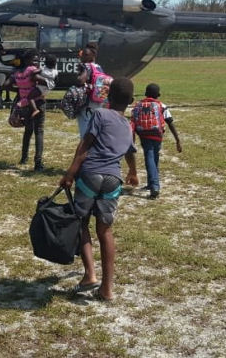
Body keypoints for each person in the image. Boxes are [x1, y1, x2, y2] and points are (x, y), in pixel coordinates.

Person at [58, 77, 138, 302]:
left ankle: (90, 275)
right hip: (113, 179)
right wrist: (133, 172)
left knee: (82, 222)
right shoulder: (128, 125)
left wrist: (69, 174)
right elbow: (131, 152)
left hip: (90, 175)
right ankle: (107, 289)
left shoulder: (100, 115)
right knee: (105, 230)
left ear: (108, 97)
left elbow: (84, 148)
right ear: (131, 101)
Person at [131, 83, 182, 200]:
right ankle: (154, 185)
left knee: (150, 157)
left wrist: (132, 139)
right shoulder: (162, 105)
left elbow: (133, 123)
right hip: (157, 135)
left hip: (143, 134)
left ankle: (152, 184)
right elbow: (170, 122)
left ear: (145, 94)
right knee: (153, 157)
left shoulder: (138, 105)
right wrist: (178, 140)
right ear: (158, 95)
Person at [5, 50, 45, 171]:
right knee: (39, 131)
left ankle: (24, 158)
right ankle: (38, 163)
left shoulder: (17, 73)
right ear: (28, 60)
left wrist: (19, 90)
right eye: (35, 59)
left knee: (28, 131)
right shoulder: (32, 70)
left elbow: (5, 84)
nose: (37, 62)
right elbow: (42, 80)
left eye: (38, 60)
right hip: (37, 102)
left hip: (23, 104)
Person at [76, 44, 104, 138]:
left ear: (92, 56)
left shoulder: (86, 66)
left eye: (85, 55)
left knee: (85, 129)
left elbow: (81, 80)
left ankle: (85, 150)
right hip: (98, 100)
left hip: (86, 103)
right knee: (94, 126)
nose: (82, 56)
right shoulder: (99, 67)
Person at [26, 53, 58, 118]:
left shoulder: (43, 69)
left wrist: (32, 72)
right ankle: (41, 99)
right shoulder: (55, 71)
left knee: (30, 97)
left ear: (45, 62)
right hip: (48, 88)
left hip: (40, 88)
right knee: (39, 96)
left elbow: (34, 72)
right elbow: (56, 79)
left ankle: (35, 109)